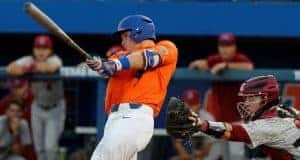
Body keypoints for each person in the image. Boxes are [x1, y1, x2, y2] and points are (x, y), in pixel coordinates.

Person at [86, 15, 178, 160]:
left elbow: (145, 58)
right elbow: (109, 65)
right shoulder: (121, 55)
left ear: (138, 32)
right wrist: (99, 64)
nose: (123, 42)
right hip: (114, 120)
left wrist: (115, 64)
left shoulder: (166, 48)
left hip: (134, 118)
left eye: (125, 36)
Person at [179, 75, 300, 160]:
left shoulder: (269, 124)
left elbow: (230, 132)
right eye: (246, 98)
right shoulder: (285, 110)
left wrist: (200, 124)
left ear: (266, 99)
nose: (246, 103)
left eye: (251, 98)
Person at [7, 35, 65, 160]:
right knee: (39, 149)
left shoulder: (55, 59)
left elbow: (50, 68)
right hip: (37, 108)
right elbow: (10, 68)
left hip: (55, 108)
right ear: (34, 50)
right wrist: (27, 67)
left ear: (50, 50)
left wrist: (30, 68)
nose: (41, 51)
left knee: (50, 148)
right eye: (38, 48)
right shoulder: (29, 59)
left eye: (44, 48)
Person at [189, 33, 254, 123]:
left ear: (234, 47)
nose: (224, 49)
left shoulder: (239, 58)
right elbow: (201, 64)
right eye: (222, 46)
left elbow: (249, 67)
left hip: (238, 117)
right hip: (219, 117)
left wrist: (226, 65)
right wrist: (196, 64)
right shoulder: (216, 59)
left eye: (228, 46)